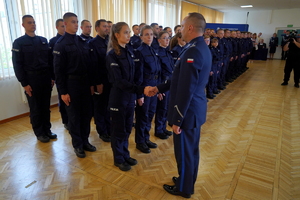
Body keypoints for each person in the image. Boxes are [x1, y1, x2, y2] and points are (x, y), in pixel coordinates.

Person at [145, 12, 212, 198]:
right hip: (194, 110)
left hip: (187, 112)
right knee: (191, 151)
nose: (180, 29)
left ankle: (184, 188)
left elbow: (186, 89)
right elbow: (178, 79)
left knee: (185, 153)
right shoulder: (198, 47)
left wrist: (177, 119)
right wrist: (157, 88)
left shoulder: (193, 51)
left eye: (182, 26)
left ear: (190, 27)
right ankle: (187, 180)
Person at [53, 12, 96, 158]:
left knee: (86, 114)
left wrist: (91, 84)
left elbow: (89, 65)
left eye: (77, 21)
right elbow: (58, 71)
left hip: (84, 83)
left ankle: (85, 141)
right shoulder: (61, 44)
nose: (76, 24)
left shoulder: (82, 41)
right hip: (71, 84)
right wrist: (63, 92)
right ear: (65, 24)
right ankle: (77, 145)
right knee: (74, 117)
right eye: (73, 22)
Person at [106, 22, 147, 171]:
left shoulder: (129, 51)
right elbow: (118, 81)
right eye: (125, 32)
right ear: (117, 35)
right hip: (119, 98)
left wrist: (137, 92)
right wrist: (139, 89)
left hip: (129, 97)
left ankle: (125, 154)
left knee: (128, 127)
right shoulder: (112, 55)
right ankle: (118, 158)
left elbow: (135, 75)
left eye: (129, 32)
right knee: (118, 130)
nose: (128, 35)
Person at [12, 15, 56, 143]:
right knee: (36, 108)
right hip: (31, 79)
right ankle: (39, 132)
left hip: (45, 78)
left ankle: (47, 130)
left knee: (45, 106)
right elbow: (17, 65)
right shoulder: (19, 42)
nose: (33, 24)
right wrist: (24, 83)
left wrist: (52, 77)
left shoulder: (43, 40)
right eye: (29, 23)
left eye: (34, 22)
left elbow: (50, 60)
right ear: (23, 25)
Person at [134, 25, 161, 154]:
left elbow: (158, 71)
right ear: (141, 37)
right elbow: (138, 75)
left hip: (154, 85)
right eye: (146, 34)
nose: (149, 37)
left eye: (151, 34)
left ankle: (146, 138)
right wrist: (140, 94)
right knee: (142, 115)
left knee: (150, 114)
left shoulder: (153, 50)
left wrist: (159, 89)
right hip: (145, 86)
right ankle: (140, 141)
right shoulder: (139, 51)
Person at [89, 19, 111, 142]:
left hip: (110, 80)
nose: (107, 28)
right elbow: (93, 65)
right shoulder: (93, 43)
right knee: (100, 107)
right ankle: (102, 131)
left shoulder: (109, 41)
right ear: (97, 28)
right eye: (104, 26)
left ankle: (108, 128)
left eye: (108, 26)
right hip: (100, 81)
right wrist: (97, 83)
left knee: (108, 106)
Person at [154, 31, 174, 139]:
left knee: (167, 107)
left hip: (170, 83)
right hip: (162, 83)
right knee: (161, 108)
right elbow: (158, 72)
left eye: (168, 38)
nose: (167, 40)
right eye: (165, 38)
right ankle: (158, 130)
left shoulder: (168, 52)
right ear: (159, 40)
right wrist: (159, 89)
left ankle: (163, 128)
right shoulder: (157, 53)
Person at [49, 19, 68, 130]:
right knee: (63, 99)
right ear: (57, 27)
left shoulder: (71, 40)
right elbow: (52, 62)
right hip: (60, 76)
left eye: (64, 26)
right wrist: (53, 77)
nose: (64, 28)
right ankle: (66, 121)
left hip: (71, 77)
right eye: (62, 26)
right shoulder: (53, 42)